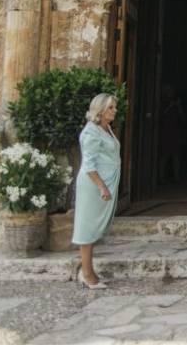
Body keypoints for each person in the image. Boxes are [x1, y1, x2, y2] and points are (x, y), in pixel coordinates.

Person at [72, 93, 121, 290]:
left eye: (114, 107)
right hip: (94, 185)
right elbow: (89, 164)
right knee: (87, 228)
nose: (115, 110)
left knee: (94, 228)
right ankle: (87, 274)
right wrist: (101, 186)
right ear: (100, 110)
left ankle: (88, 270)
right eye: (111, 107)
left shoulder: (106, 128)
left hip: (106, 180)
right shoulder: (91, 133)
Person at [158, 84, 185, 184]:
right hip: (165, 131)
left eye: (172, 91)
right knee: (164, 155)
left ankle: (176, 177)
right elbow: (160, 115)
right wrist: (170, 105)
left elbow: (183, 118)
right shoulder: (162, 102)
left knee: (176, 155)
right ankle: (161, 177)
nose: (170, 93)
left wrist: (178, 106)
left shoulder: (177, 103)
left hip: (175, 131)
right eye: (168, 91)